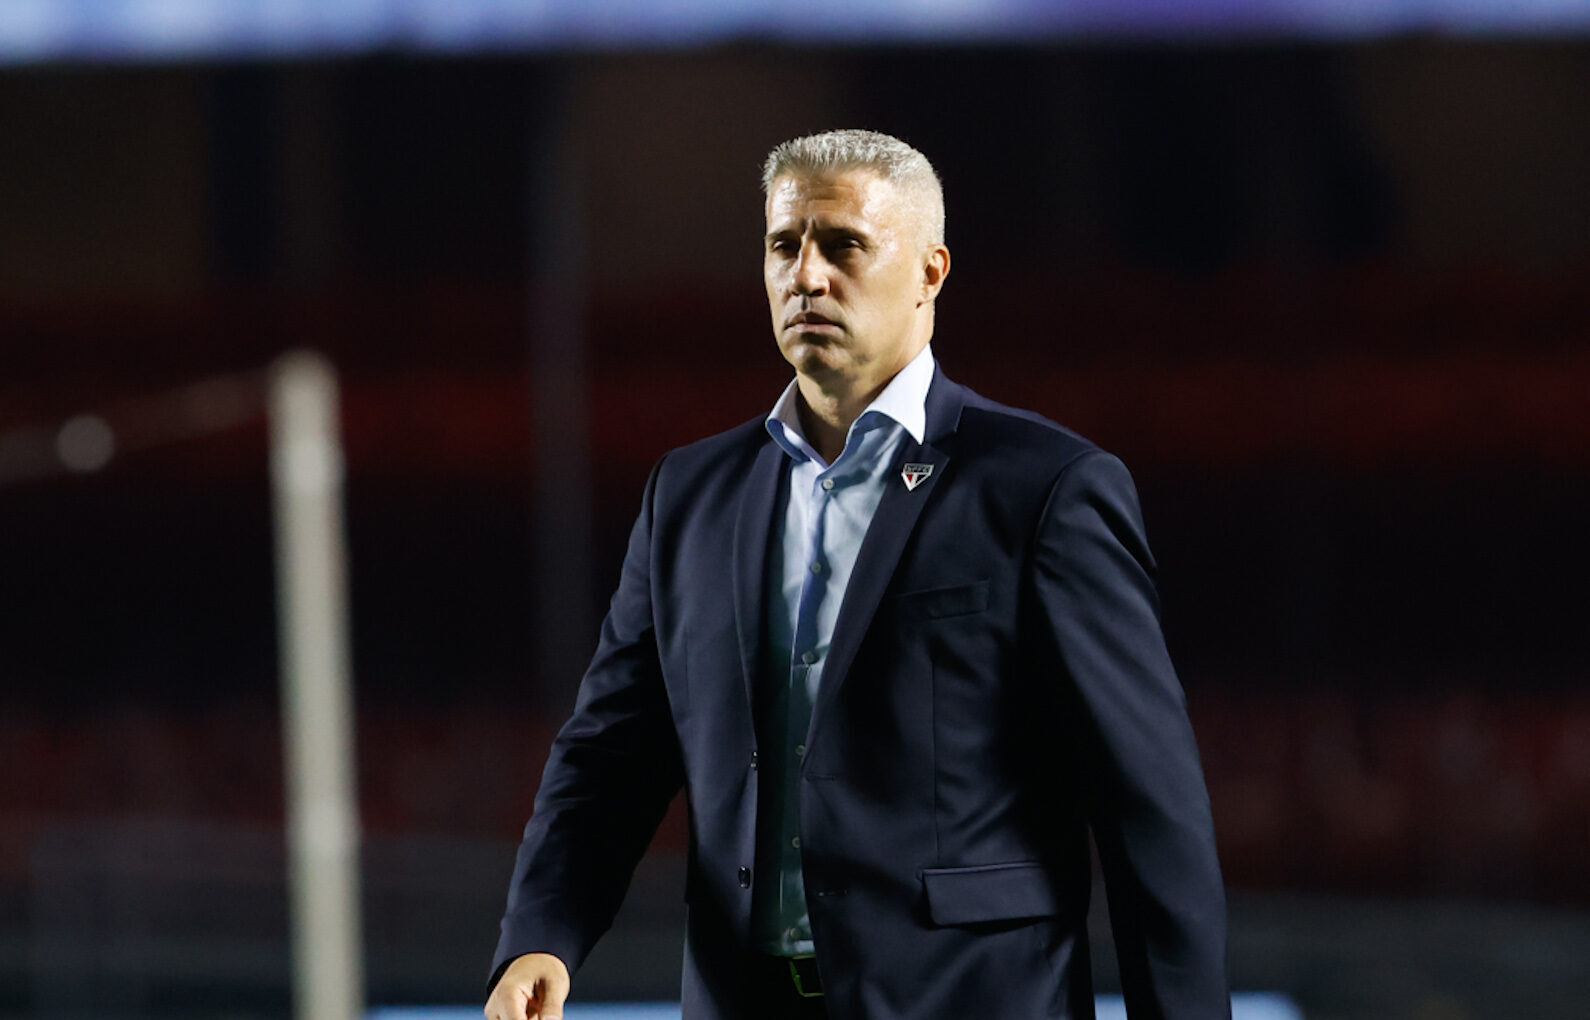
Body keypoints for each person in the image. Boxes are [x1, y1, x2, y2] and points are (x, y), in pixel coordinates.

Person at [486, 129, 1230, 1020]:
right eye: (783, 246)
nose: (806, 275)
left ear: (929, 273)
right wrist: (541, 935)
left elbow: (1149, 805)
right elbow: (610, 753)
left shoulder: (1045, 490)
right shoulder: (689, 495)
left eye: (842, 245)